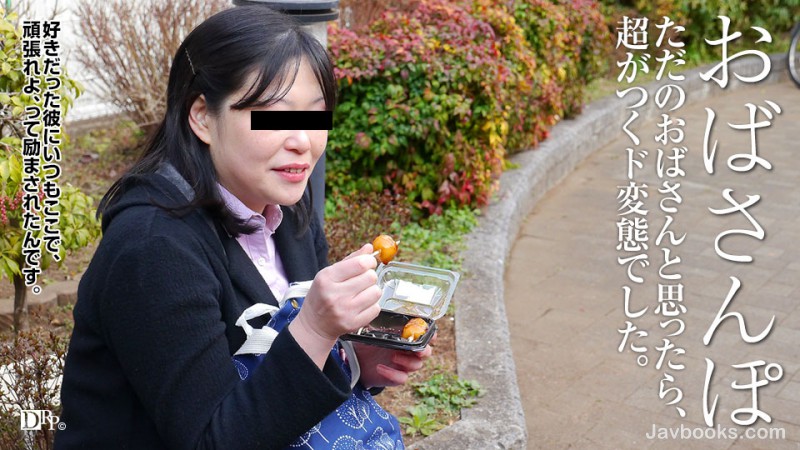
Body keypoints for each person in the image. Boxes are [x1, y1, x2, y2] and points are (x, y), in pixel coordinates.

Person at [55, 6, 432, 449]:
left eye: (315, 116)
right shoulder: (152, 248)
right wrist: (314, 331)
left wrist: (352, 358)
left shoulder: (285, 207)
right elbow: (211, 439)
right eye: (273, 115)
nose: (303, 141)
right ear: (202, 117)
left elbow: (275, 376)